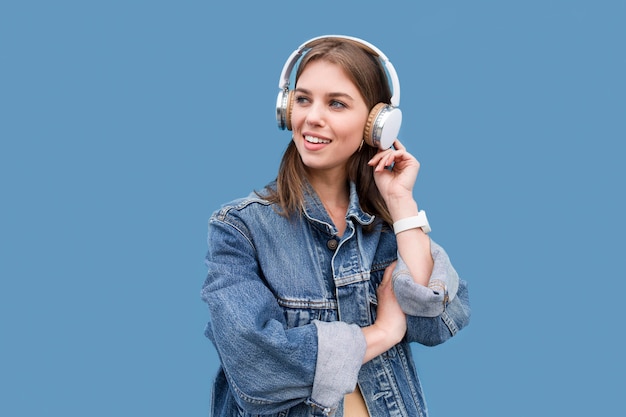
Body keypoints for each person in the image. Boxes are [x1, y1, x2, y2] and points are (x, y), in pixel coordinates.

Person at [201, 35, 471, 417]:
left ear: (377, 126)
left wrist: (401, 203)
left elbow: (437, 324)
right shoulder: (240, 228)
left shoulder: (387, 231)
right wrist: (383, 333)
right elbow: (256, 368)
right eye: (303, 99)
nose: (312, 117)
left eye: (337, 104)